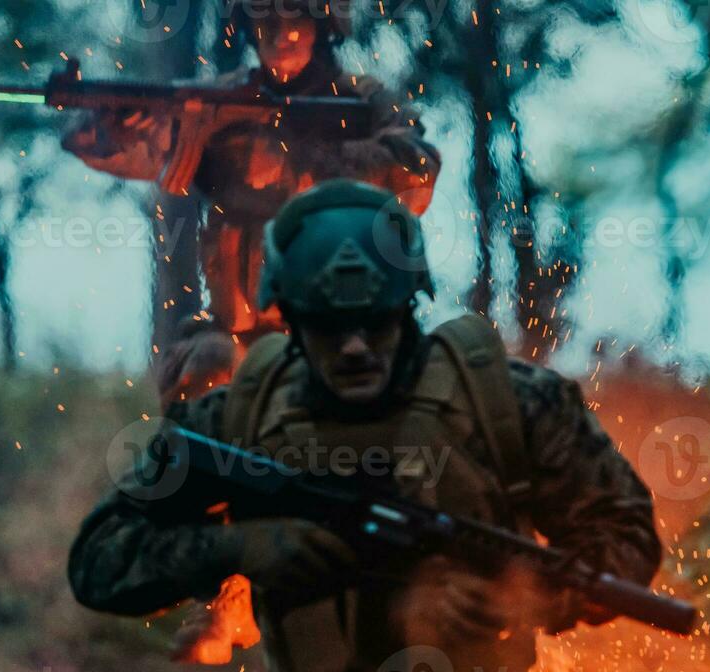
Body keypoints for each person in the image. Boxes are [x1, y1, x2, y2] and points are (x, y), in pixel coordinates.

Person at [68, 180, 663, 672]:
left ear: (409, 305)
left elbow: (625, 536)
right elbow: (100, 561)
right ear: (287, 315)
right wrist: (244, 546)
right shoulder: (240, 421)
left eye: (374, 322)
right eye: (327, 325)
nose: (353, 347)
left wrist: (532, 597)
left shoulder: (508, 407)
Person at [64, 3, 440, 405]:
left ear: (322, 27)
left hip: (343, 326)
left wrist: (300, 164)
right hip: (239, 330)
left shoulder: (360, 98)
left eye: (294, 21)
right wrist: (110, 130)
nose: (280, 35)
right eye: (266, 22)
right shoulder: (217, 103)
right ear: (247, 28)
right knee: (203, 374)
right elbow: (127, 151)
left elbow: (417, 172)